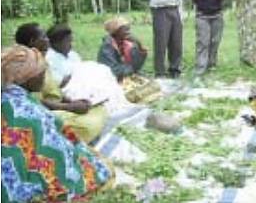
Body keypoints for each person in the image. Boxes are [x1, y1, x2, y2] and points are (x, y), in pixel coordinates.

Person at [1, 45, 114, 202]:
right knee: (100, 168)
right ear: (26, 77)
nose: (44, 76)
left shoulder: (9, 96)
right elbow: (56, 156)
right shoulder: (28, 113)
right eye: (41, 72)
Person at [15, 23, 107, 143]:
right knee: (83, 126)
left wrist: (72, 101)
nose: (48, 41)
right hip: (41, 111)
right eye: (44, 38)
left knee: (99, 109)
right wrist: (69, 107)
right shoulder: (22, 63)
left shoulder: (41, 59)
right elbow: (33, 101)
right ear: (33, 41)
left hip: (57, 106)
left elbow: (53, 89)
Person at [147, 0, 186, 78]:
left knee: (176, 41)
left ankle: (175, 70)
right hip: (160, 11)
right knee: (161, 42)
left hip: (175, 10)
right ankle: (160, 72)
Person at [191, 0, 224, 75]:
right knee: (203, 42)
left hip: (217, 15)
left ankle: (212, 65)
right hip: (202, 16)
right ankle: (200, 67)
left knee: (215, 41)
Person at [98, 16, 148, 81]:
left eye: (129, 29)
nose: (128, 32)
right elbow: (113, 71)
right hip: (109, 79)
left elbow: (137, 66)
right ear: (116, 31)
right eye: (125, 29)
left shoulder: (127, 44)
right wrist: (132, 68)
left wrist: (139, 45)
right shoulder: (107, 47)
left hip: (124, 76)